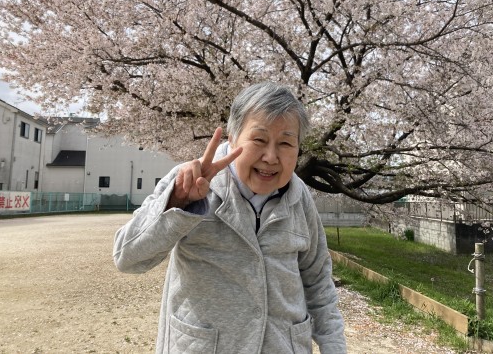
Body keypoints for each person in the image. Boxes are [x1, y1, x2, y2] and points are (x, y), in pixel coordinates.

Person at [113, 82, 347, 354]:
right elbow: (127, 258)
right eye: (259, 140)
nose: (271, 157)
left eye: (285, 143)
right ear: (233, 137)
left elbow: (318, 282)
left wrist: (334, 347)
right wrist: (177, 203)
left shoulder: (300, 197)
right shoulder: (189, 182)